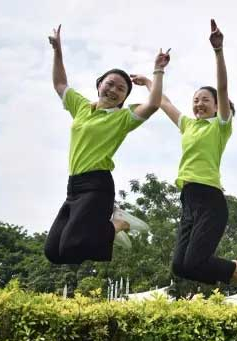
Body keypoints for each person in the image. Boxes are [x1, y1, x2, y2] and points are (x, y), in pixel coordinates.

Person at [131, 19, 237, 286]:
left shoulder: (220, 126)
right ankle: (230, 273)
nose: (199, 103)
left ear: (217, 106)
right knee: (180, 266)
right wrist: (152, 78)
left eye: (205, 100)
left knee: (193, 261)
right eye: (195, 100)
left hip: (210, 199)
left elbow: (222, 88)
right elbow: (164, 102)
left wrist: (218, 50)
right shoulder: (188, 125)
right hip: (188, 198)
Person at [44, 24, 168, 264]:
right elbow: (60, 84)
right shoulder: (81, 106)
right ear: (99, 84)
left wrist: (156, 72)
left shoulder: (122, 118)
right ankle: (107, 229)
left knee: (71, 246)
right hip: (74, 186)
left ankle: (116, 224)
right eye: (110, 84)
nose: (113, 90)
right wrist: (57, 50)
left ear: (124, 99)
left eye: (121, 89)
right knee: (54, 252)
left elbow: (153, 104)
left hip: (97, 186)